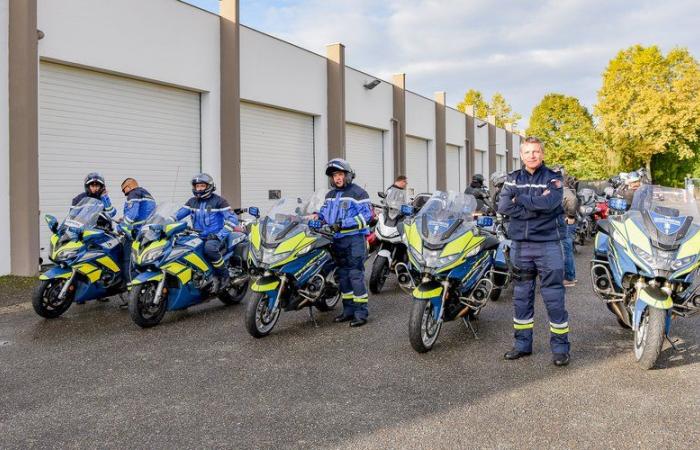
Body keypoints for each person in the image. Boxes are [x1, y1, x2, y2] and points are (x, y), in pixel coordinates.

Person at [497, 136, 570, 367]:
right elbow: (504, 206)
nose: (532, 155)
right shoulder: (512, 178)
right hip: (521, 245)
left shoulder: (554, 178)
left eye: (536, 151)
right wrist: (536, 204)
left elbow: (551, 205)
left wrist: (522, 200)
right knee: (521, 297)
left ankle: (560, 349)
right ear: (521, 155)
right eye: (528, 152)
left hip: (549, 243)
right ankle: (522, 345)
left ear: (542, 154)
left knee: (554, 297)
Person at [317, 159, 373, 327]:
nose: (337, 178)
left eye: (340, 174)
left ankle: (361, 313)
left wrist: (343, 224)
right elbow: (324, 213)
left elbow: (366, 216)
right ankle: (348, 310)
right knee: (342, 276)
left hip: (354, 240)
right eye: (334, 175)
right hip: (336, 241)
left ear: (348, 175)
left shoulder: (359, 193)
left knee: (355, 275)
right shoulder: (330, 195)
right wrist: (316, 218)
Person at [173, 173, 239, 292]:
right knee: (182, 249)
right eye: (197, 186)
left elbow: (233, 219)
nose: (199, 189)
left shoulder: (219, 201)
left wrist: (220, 235)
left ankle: (224, 276)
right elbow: (177, 215)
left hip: (215, 236)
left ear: (209, 186)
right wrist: (163, 224)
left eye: (202, 186)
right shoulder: (192, 202)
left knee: (209, 249)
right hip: (198, 235)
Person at [117, 178, 156, 291]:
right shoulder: (147, 194)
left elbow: (133, 214)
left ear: (128, 186)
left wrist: (121, 226)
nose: (124, 193)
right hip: (147, 234)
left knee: (127, 261)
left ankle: (131, 292)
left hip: (135, 234)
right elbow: (144, 214)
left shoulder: (134, 193)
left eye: (124, 190)